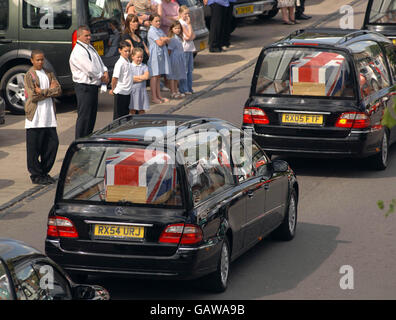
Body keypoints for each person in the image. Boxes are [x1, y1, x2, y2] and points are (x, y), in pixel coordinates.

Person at [24, 49, 61, 185]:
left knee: (52, 145)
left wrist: (44, 91)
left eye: (42, 59)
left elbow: (58, 90)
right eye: (38, 60)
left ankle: (44, 171)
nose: (40, 62)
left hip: (49, 116)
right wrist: (50, 91)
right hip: (35, 118)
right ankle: (36, 174)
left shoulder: (48, 73)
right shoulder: (29, 75)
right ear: (32, 60)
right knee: (34, 148)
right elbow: (33, 96)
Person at [69, 25, 109, 139]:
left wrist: (105, 71)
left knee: (91, 117)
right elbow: (90, 69)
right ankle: (79, 142)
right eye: (86, 35)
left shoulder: (89, 47)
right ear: (79, 36)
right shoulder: (78, 51)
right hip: (84, 87)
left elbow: (99, 61)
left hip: (92, 86)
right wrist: (101, 76)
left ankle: (87, 140)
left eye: (89, 35)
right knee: (84, 117)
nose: (89, 38)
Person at [147, 13, 171, 104]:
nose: (158, 23)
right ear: (150, 22)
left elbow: (168, 39)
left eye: (159, 21)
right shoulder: (152, 31)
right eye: (156, 21)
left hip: (160, 55)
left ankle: (159, 95)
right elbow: (160, 43)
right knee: (154, 76)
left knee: (158, 76)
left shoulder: (159, 30)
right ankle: (154, 97)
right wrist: (163, 39)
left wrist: (163, 39)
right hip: (154, 56)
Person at [109, 41, 133, 120]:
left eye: (129, 51)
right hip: (120, 92)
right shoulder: (120, 63)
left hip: (127, 92)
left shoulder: (128, 61)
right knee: (118, 116)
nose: (127, 53)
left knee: (125, 114)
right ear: (120, 50)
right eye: (125, 51)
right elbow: (114, 78)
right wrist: (113, 89)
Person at [178, 5, 195, 95]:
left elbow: (193, 35)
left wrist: (189, 25)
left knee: (190, 69)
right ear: (180, 14)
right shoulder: (181, 23)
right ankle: (183, 89)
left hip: (190, 48)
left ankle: (189, 87)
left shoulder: (187, 23)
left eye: (188, 14)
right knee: (184, 70)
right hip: (184, 49)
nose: (187, 16)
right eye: (185, 14)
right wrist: (189, 25)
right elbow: (188, 37)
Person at [167, 21, 187, 99]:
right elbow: (169, 50)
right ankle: (173, 92)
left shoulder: (179, 37)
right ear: (172, 29)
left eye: (179, 28)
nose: (178, 30)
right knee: (173, 76)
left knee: (177, 76)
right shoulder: (172, 39)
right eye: (175, 28)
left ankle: (176, 90)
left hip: (179, 58)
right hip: (174, 58)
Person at [129, 47, 150, 114]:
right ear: (132, 56)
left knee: (142, 109)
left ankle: (141, 122)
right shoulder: (129, 66)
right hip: (132, 92)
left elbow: (146, 76)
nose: (140, 59)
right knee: (132, 109)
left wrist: (135, 78)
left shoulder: (144, 66)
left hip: (141, 91)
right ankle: (132, 122)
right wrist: (141, 78)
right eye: (138, 57)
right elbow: (129, 79)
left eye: (141, 57)